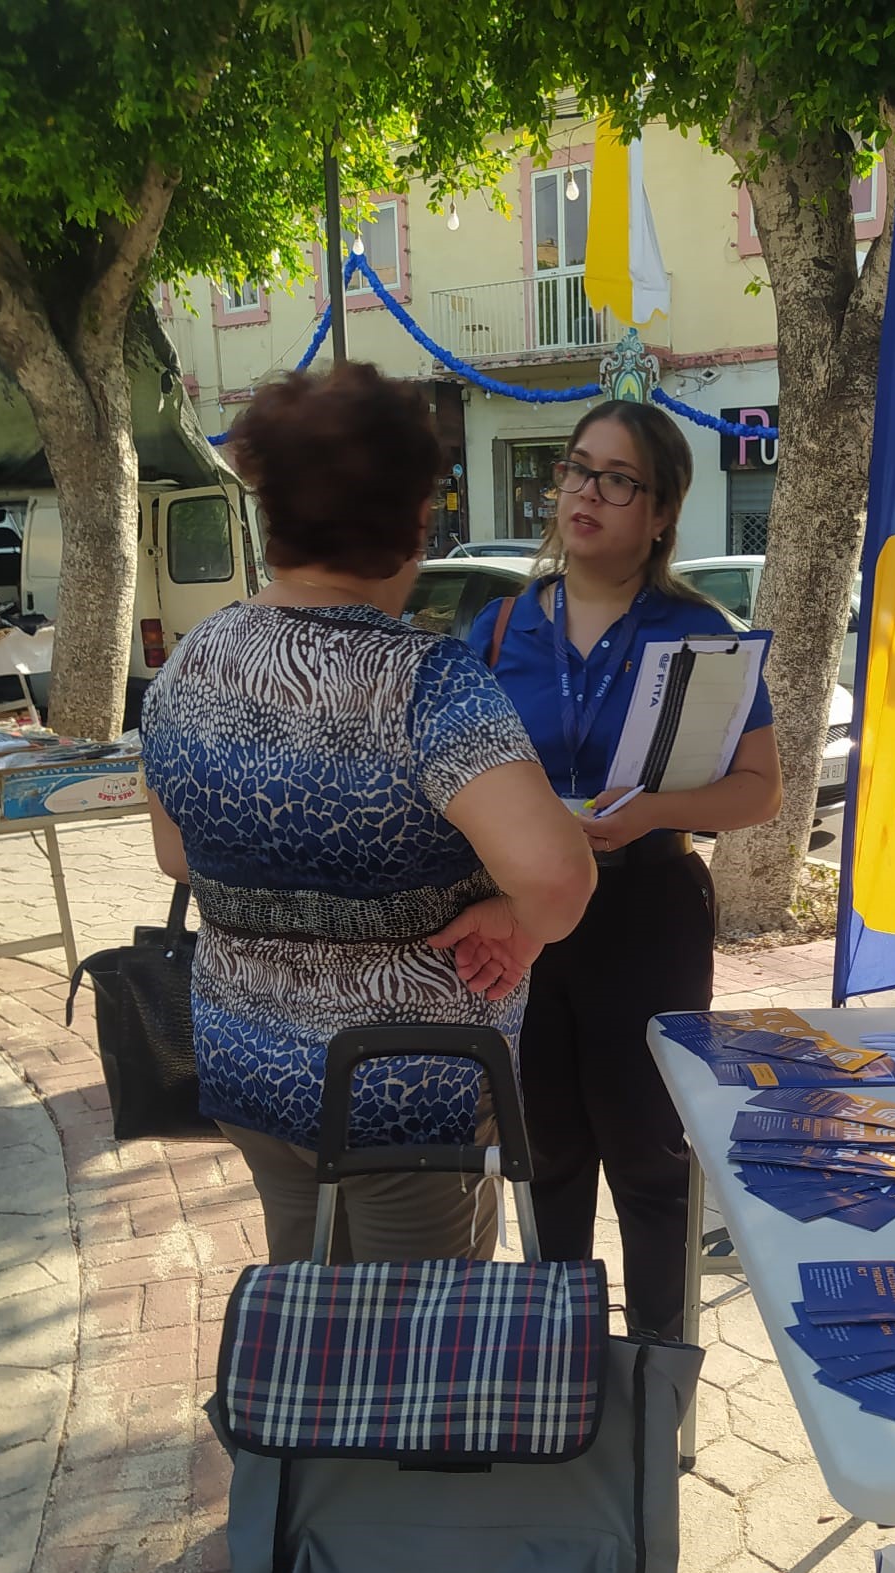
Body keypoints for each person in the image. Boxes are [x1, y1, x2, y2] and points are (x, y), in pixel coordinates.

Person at [140, 365, 596, 1264]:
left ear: (273, 515)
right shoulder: (425, 683)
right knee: (417, 1349)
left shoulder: (191, 660)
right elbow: (555, 875)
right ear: (414, 524)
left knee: (312, 1303)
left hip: (249, 1060)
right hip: (404, 1086)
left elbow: (177, 855)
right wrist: (515, 922)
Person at [466, 401, 782, 1338]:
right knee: (550, 1152)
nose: (584, 493)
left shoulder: (700, 635)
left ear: (659, 514)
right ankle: (561, 1369)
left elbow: (759, 789)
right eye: (574, 470)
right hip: (527, 918)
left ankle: (657, 1386)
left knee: (649, 1156)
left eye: (616, 478)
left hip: (647, 913)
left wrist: (658, 809)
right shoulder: (494, 630)